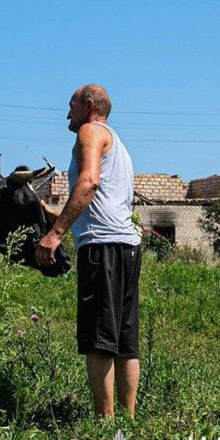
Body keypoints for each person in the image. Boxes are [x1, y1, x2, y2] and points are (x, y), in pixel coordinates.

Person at [35, 84, 142, 419]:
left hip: (102, 248)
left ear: (89, 105)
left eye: (70, 105)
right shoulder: (117, 142)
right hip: (127, 246)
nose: (67, 113)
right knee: (125, 342)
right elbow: (102, 199)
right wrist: (53, 212)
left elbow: (88, 184)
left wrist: (55, 234)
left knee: (99, 340)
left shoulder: (89, 131)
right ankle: (129, 419)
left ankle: (104, 422)